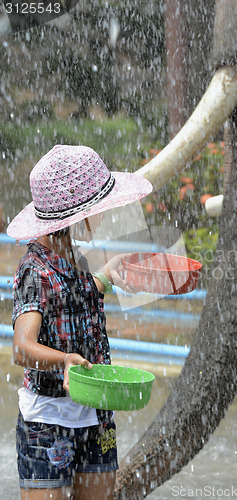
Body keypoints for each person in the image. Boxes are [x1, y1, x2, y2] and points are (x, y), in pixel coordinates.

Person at [7, 144, 152, 500]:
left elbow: (73, 299)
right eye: (97, 210)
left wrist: (106, 274)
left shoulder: (74, 256)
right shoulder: (34, 270)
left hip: (96, 413)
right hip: (49, 420)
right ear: (75, 215)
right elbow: (21, 348)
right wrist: (65, 360)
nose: (101, 217)